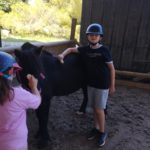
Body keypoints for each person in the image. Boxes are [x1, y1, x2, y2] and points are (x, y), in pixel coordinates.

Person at [58, 23, 115, 147]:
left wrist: (112, 85)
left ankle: (102, 132)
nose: (93, 37)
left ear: (100, 37)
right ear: (87, 37)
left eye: (96, 35)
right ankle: (96, 128)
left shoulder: (104, 50)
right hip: (91, 84)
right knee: (94, 108)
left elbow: (111, 69)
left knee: (100, 109)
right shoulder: (85, 49)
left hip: (102, 84)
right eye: (91, 35)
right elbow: (71, 49)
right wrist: (62, 55)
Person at [0, 51, 41, 150]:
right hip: (16, 145)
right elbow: (37, 102)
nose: (14, 75)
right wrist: (34, 87)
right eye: (12, 71)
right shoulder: (17, 94)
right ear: (9, 74)